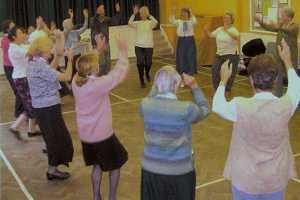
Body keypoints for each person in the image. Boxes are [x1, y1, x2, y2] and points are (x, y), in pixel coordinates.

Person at [212, 39, 299, 200]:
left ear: (250, 79)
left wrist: (223, 80)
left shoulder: (239, 106)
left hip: (245, 179)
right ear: (275, 80)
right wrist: (287, 61)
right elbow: (296, 87)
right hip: (276, 178)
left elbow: (217, 105)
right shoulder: (286, 105)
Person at [140, 67, 210, 200]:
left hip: (151, 171)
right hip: (180, 172)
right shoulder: (186, 108)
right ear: (176, 85)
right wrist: (194, 86)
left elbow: (150, 97)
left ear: (156, 84)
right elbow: (205, 109)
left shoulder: (145, 105)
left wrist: (157, 83)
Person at [72, 37, 128, 200]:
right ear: (94, 68)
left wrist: (98, 50)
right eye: (96, 63)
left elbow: (85, 64)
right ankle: (112, 198)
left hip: (86, 136)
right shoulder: (98, 85)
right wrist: (123, 53)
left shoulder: (77, 80)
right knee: (116, 165)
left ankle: (96, 197)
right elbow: (118, 74)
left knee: (96, 166)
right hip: (102, 136)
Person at [26, 33, 74, 180]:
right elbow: (66, 77)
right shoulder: (39, 65)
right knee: (56, 140)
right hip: (47, 109)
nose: (51, 51)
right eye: (49, 49)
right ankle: (52, 171)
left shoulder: (34, 61)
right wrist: (70, 60)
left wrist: (58, 57)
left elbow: (50, 71)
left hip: (45, 108)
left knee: (55, 139)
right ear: (41, 51)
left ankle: (52, 169)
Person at [255, 7, 299, 97]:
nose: (281, 16)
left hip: (290, 57)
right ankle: (278, 96)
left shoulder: (295, 26)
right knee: (278, 76)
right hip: (279, 55)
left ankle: (294, 96)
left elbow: (289, 30)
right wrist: (261, 21)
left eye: (283, 15)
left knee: (291, 77)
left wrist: (278, 26)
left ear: (288, 16)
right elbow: (269, 27)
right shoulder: (281, 25)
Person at [8, 27, 40, 139]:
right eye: (21, 33)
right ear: (14, 37)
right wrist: (39, 40)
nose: (23, 34)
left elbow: (29, 47)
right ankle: (15, 126)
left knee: (30, 104)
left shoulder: (19, 46)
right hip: (22, 79)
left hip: (24, 78)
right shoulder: (14, 49)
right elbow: (31, 51)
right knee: (31, 104)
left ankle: (30, 130)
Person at [205, 12, 240, 98]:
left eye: (228, 18)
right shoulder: (219, 29)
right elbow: (210, 35)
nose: (226, 19)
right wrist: (206, 30)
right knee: (214, 70)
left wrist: (227, 30)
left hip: (231, 54)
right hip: (219, 54)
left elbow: (236, 37)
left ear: (231, 20)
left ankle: (227, 89)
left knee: (230, 73)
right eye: (224, 18)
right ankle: (217, 90)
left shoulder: (234, 30)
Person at [128, 6, 158, 88]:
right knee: (140, 63)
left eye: (145, 13)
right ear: (140, 15)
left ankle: (147, 73)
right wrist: (133, 14)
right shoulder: (137, 23)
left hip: (149, 46)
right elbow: (129, 23)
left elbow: (156, 22)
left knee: (149, 63)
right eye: (141, 13)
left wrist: (150, 15)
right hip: (139, 46)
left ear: (146, 14)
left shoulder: (150, 23)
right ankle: (141, 79)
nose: (143, 14)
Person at [1, 20, 24, 121]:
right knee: (18, 90)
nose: (15, 27)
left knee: (19, 91)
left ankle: (22, 110)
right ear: (7, 29)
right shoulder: (6, 40)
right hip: (9, 68)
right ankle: (19, 112)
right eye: (12, 26)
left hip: (15, 67)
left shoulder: (10, 39)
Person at [170, 7, 197, 76]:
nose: (184, 14)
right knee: (181, 56)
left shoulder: (191, 21)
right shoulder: (179, 21)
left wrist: (191, 12)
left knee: (190, 56)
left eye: (185, 13)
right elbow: (172, 21)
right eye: (182, 13)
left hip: (190, 41)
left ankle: (190, 72)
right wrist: (173, 12)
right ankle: (182, 72)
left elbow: (195, 21)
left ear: (188, 14)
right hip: (181, 40)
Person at [63, 8, 89, 79]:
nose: (72, 24)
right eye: (70, 23)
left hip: (77, 56)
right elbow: (67, 29)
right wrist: (71, 18)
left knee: (78, 73)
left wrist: (86, 17)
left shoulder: (75, 32)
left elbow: (85, 27)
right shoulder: (65, 34)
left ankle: (77, 85)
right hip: (69, 57)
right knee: (70, 74)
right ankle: (71, 87)